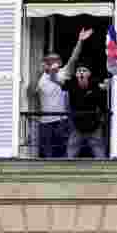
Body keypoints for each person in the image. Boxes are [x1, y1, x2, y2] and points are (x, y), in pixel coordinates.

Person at [31, 29, 92, 158]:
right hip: (44, 122)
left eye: (56, 60)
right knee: (47, 154)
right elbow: (33, 96)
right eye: (49, 61)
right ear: (44, 64)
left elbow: (74, 58)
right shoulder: (40, 78)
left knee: (62, 153)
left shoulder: (63, 73)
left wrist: (80, 41)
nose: (53, 63)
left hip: (61, 120)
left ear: (59, 63)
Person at [66, 63, 108, 159]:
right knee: (71, 153)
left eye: (84, 70)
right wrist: (53, 73)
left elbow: (103, 104)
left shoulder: (96, 85)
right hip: (77, 126)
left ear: (89, 74)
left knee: (99, 152)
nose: (81, 72)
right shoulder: (71, 84)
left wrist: (109, 82)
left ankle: (103, 171)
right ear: (76, 74)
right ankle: (67, 170)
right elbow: (56, 81)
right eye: (79, 70)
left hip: (94, 126)